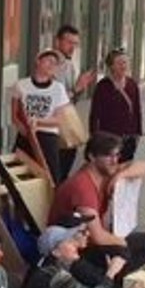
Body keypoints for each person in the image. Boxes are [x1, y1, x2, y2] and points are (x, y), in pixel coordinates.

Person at [48, 132, 145, 277]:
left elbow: (144, 166)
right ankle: (107, 279)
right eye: (109, 156)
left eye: (117, 155)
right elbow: (98, 236)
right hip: (74, 250)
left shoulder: (104, 172)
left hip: (88, 242)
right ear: (92, 157)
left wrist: (120, 176)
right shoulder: (83, 187)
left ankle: (112, 274)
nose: (114, 161)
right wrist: (121, 243)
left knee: (144, 241)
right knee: (133, 246)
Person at [12, 49, 71, 183]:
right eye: (48, 60)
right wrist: (21, 126)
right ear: (38, 61)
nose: (52, 65)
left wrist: (38, 121)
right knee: (18, 176)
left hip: (47, 137)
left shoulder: (58, 88)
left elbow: (60, 119)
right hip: (25, 136)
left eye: (55, 63)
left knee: (49, 178)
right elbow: (15, 114)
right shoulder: (21, 85)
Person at [52, 24, 99, 176]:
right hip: (54, 124)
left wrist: (80, 87)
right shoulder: (52, 64)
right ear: (57, 41)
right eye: (69, 42)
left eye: (75, 43)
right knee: (58, 168)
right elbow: (55, 98)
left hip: (65, 120)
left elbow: (70, 98)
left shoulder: (69, 64)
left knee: (65, 163)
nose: (72, 47)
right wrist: (76, 89)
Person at [89, 48, 143, 163]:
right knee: (109, 171)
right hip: (109, 138)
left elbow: (137, 110)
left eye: (125, 62)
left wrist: (138, 132)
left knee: (125, 170)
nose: (123, 66)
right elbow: (95, 114)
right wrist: (94, 137)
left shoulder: (132, 84)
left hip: (128, 138)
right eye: (119, 63)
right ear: (112, 66)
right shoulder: (103, 86)